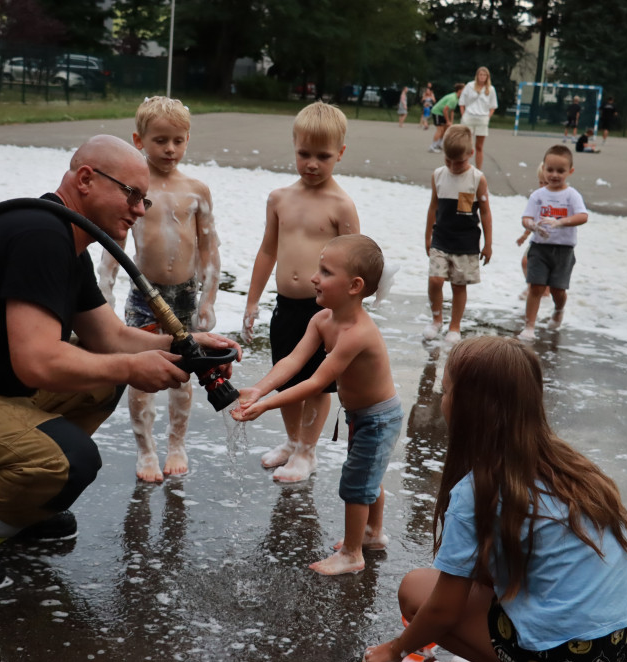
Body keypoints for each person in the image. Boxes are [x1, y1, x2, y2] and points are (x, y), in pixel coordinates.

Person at [0, 135, 241, 589]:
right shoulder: (40, 236)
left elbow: (109, 338)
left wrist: (187, 345)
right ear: (86, 179)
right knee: (67, 459)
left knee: (101, 382)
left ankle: (23, 503)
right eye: (131, 194)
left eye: (144, 199)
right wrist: (131, 367)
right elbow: (38, 362)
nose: (141, 209)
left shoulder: (65, 241)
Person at [363, 336, 627, 662]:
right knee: (482, 574)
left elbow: (442, 610)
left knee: (415, 589)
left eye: (446, 391)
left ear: (468, 407)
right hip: (618, 640)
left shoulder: (478, 490)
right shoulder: (568, 465)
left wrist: (394, 650)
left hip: (565, 659)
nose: (442, 400)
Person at [233, 235, 402, 576]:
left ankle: (353, 553)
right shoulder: (322, 319)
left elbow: (314, 382)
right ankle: (372, 532)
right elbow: (293, 362)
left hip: (379, 418)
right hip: (361, 415)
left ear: (355, 286)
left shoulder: (357, 333)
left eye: (325, 271)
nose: (314, 277)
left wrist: (266, 406)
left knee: (356, 483)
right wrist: (259, 389)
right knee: (370, 474)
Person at [97, 96, 221, 483]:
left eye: (178, 141)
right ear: (139, 139)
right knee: (141, 373)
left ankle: (177, 443)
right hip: (144, 294)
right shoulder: (135, 189)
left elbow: (209, 246)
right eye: (160, 140)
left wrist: (209, 297)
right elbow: (114, 241)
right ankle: (146, 448)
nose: (170, 149)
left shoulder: (196, 190)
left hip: (183, 293)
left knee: (184, 370)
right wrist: (107, 288)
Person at [243, 101, 361, 483]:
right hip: (285, 307)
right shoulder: (280, 199)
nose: (312, 163)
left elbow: (356, 260)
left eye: (322, 156)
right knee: (286, 375)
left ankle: (308, 451)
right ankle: (293, 442)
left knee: (316, 382)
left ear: (340, 154)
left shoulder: (341, 204)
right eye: (304, 154)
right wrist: (251, 300)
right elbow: (267, 250)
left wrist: (350, 312)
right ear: (294, 146)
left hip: (323, 309)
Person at [423, 125, 493, 344]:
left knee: (458, 285)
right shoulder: (438, 175)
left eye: (459, 162)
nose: (453, 166)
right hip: (441, 238)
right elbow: (433, 207)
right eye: (448, 160)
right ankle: (436, 320)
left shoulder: (477, 179)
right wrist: (427, 236)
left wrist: (488, 244)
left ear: (471, 154)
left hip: (466, 241)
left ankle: (454, 326)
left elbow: (485, 212)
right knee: (435, 280)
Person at [518, 145, 589, 341]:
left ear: (570, 171)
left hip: (563, 250)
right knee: (536, 287)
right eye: (550, 170)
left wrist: (561, 222)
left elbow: (583, 216)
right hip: (539, 247)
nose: (554, 175)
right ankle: (529, 326)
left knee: (558, 289)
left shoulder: (571, 195)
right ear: (544, 169)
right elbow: (526, 217)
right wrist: (531, 225)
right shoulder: (538, 195)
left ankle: (559, 309)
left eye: (560, 171)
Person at [516, 163, 549, 302]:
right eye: (540, 182)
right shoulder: (538, 198)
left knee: (547, 268)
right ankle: (531, 285)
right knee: (525, 262)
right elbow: (531, 219)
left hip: (553, 243)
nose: (542, 186)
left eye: (546, 183)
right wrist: (524, 235)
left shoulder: (560, 199)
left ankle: (545, 291)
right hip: (537, 240)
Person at [458, 67, 497, 170]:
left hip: (482, 118)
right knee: (466, 145)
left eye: (484, 75)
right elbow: (462, 102)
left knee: (479, 146)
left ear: (487, 77)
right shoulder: (470, 86)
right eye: (480, 74)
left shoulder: (491, 89)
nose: (482, 77)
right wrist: (463, 115)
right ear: (477, 75)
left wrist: (487, 117)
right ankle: (463, 166)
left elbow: (493, 106)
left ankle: (478, 170)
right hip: (469, 117)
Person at [428, 83, 465, 153]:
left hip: (442, 113)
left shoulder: (457, 98)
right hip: (437, 111)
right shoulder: (453, 98)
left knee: (445, 129)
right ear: (459, 90)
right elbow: (445, 110)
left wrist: (451, 121)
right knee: (440, 130)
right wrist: (448, 121)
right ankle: (432, 147)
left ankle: (439, 144)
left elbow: (452, 111)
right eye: (464, 90)